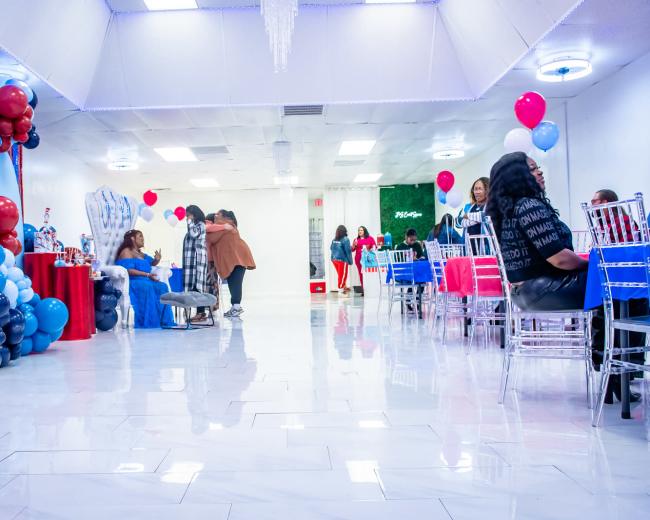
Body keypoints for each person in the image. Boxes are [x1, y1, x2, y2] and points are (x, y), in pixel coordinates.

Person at [486, 152, 588, 311]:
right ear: (517, 177)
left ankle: (605, 334)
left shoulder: (509, 211)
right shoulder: (528, 206)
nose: (539, 172)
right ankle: (614, 335)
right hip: (546, 289)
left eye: (537, 168)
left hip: (522, 294)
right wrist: (590, 264)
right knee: (613, 280)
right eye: (532, 169)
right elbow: (559, 259)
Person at [115, 230, 174, 328]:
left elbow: (151, 263)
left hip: (146, 280)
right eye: (140, 236)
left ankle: (163, 321)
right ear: (132, 238)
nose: (143, 239)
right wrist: (147, 275)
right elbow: (127, 270)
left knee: (162, 287)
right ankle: (149, 321)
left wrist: (157, 259)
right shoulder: (126, 251)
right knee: (147, 286)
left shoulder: (141, 254)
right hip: (133, 281)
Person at [206, 210, 256, 318]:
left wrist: (208, 225)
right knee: (233, 283)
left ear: (225, 216)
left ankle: (236, 307)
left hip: (237, 258)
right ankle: (235, 307)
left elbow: (210, 238)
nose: (215, 215)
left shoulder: (226, 225)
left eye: (218, 214)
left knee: (235, 283)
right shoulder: (226, 225)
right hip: (237, 257)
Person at [183, 205, 209, 322]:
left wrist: (189, 222)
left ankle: (201, 312)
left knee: (198, 285)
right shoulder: (194, 226)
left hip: (197, 260)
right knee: (193, 285)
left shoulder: (201, 225)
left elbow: (193, 234)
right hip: (192, 260)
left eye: (188, 215)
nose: (186, 217)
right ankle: (198, 312)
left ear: (194, 214)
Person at [351, 226, 377, 294]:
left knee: (369, 273)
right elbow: (352, 250)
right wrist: (354, 245)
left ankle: (370, 288)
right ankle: (364, 290)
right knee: (361, 274)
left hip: (368, 259)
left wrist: (369, 250)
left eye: (361, 230)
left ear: (364, 231)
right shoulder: (356, 239)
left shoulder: (370, 238)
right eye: (359, 230)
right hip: (358, 259)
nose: (360, 231)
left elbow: (375, 247)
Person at [330, 225, 353, 294]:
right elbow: (348, 251)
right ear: (345, 231)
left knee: (340, 274)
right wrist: (350, 261)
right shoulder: (346, 239)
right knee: (343, 275)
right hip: (342, 260)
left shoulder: (334, 239)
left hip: (334, 259)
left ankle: (344, 286)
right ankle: (341, 290)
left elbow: (331, 248)